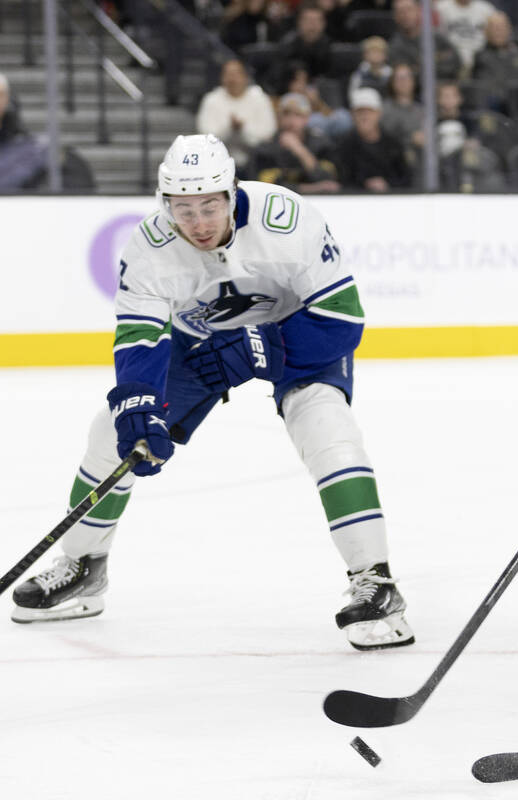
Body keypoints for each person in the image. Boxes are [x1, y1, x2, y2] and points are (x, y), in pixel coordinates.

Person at [11, 134, 414, 651]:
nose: (198, 223)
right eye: (184, 209)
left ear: (231, 193)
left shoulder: (287, 220)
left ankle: (376, 582)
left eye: (209, 206)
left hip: (297, 335)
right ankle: (84, 567)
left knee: (329, 431)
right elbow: (140, 336)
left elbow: (341, 320)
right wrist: (138, 405)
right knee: (111, 436)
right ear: (165, 205)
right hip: (200, 345)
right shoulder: (150, 247)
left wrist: (260, 346)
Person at [195, 58, 278, 170]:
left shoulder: (260, 99)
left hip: (256, 161)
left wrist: (242, 129)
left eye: (236, 74)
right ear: (222, 78)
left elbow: (268, 133)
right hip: (218, 164)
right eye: (228, 74)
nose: (232, 79)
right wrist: (230, 129)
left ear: (246, 77)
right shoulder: (211, 99)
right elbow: (205, 135)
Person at [252, 92, 341, 193]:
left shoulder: (322, 144)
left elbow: (328, 180)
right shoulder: (266, 148)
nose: (291, 120)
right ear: (278, 118)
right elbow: (266, 187)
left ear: (307, 118)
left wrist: (301, 151)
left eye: (298, 115)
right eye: (286, 114)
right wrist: (312, 188)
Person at [337, 87, 413, 191]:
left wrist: (387, 184)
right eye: (360, 112)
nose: (365, 116)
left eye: (369, 111)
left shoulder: (393, 145)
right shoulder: (343, 145)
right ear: (352, 115)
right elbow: (341, 181)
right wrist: (364, 185)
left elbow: (406, 179)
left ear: (379, 113)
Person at [471, 11, 518, 110]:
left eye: (502, 27)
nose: (498, 31)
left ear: (509, 29)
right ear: (486, 32)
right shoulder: (480, 57)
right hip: (492, 109)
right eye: (494, 28)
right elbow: (481, 91)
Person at [390, 0, 462, 81]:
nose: (405, 15)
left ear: (418, 11)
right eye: (401, 12)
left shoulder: (435, 37)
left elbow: (456, 61)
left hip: (444, 86)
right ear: (395, 16)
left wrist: (421, 66)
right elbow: (411, 77)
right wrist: (437, 59)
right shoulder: (395, 46)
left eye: (409, 9)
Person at [277, 2, 334, 83]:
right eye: (309, 20)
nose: (313, 26)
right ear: (299, 23)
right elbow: (277, 79)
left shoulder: (329, 47)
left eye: (317, 21)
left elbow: (333, 79)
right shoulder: (287, 47)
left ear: (324, 24)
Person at [436, 0, 497, 73]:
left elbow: (497, 35)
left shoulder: (486, 8)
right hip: (451, 62)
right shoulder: (441, 8)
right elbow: (436, 38)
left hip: (481, 60)